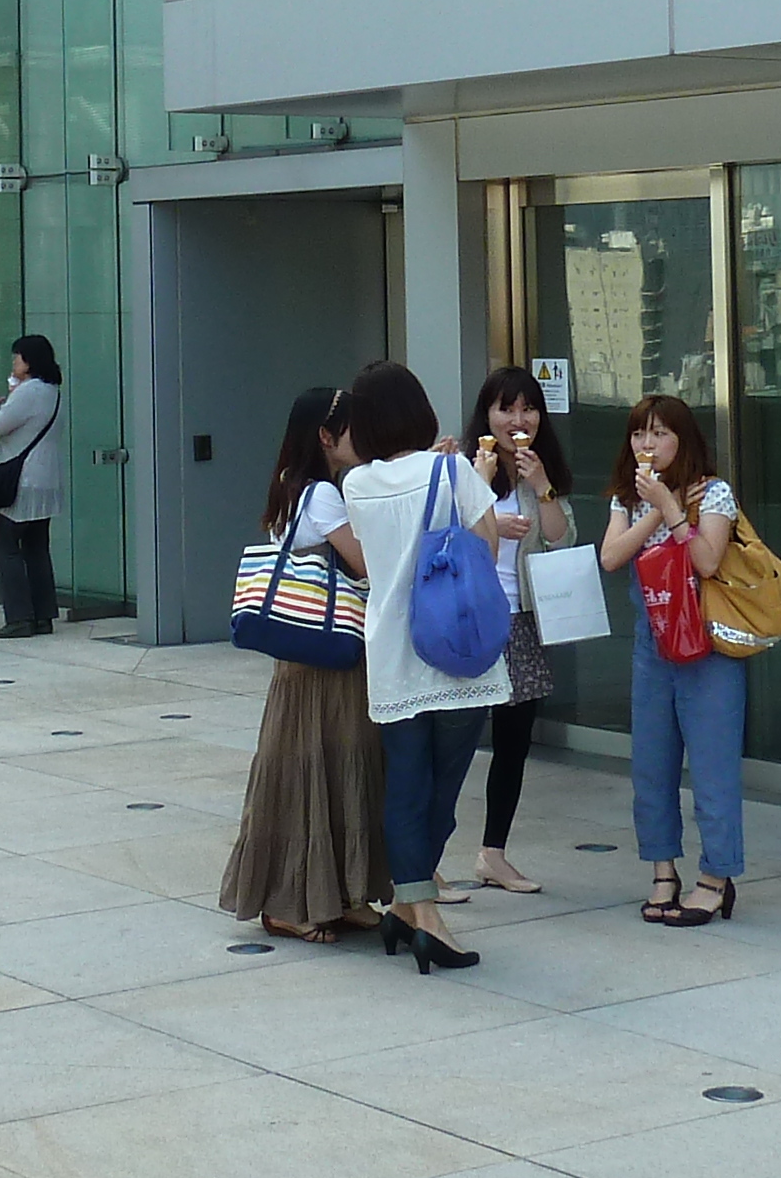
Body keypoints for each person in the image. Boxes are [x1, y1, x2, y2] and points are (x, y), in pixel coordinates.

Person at [333, 357, 510, 971]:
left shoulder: (355, 486)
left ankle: (408, 907)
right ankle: (424, 915)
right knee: (445, 786)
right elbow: (486, 547)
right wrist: (472, 475)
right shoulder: (453, 469)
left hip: (393, 652)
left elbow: (374, 559)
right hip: (459, 648)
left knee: (405, 785)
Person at [216, 387, 390, 942]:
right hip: (325, 659)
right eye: (352, 428)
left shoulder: (297, 488)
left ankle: (338, 893)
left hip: (305, 657)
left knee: (326, 768)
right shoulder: (322, 496)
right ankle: (293, 900)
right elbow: (367, 562)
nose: (361, 439)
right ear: (326, 435)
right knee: (323, 768)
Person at [598, 392, 745, 926]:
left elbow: (706, 561)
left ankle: (716, 877)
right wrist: (656, 506)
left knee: (713, 769)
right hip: (652, 647)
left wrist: (675, 511)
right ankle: (663, 871)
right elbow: (611, 558)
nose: (647, 444)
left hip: (708, 648)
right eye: (639, 433)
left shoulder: (716, 495)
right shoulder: (627, 498)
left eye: (659, 433)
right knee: (652, 768)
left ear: (682, 440)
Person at [457, 367, 572, 897]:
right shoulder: (461, 466)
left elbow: (561, 540)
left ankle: (493, 854)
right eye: (506, 408)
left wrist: (543, 487)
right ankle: (425, 859)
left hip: (519, 621)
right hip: (468, 619)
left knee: (512, 744)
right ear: (487, 415)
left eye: (528, 409)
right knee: (451, 742)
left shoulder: (538, 472)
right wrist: (487, 513)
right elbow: (440, 535)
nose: (517, 420)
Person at [0, 334, 65, 639]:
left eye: (17, 358)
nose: (13, 362)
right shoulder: (52, 391)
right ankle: (43, 615)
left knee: (5, 549)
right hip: (46, 481)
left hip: (22, 482)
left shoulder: (28, 392)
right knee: (37, 549)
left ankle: (19, 617)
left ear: (28, 362)